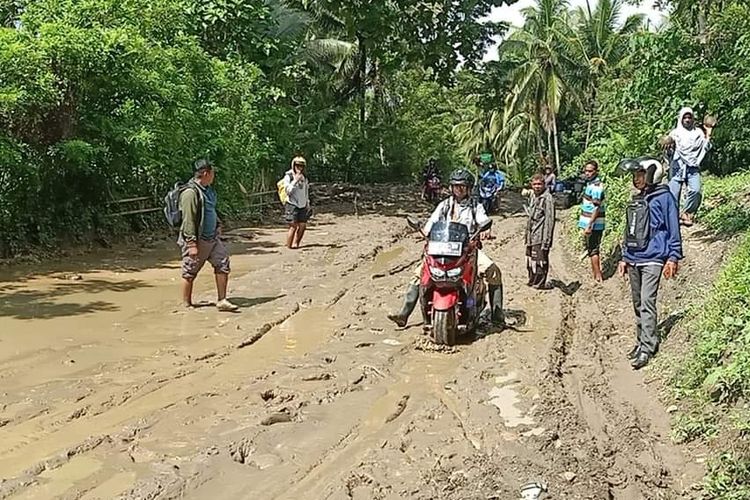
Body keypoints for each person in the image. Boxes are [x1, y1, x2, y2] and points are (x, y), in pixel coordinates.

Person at [387, 169, 504, 328]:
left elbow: (483, 220)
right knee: (418, 274)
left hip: (467, 249)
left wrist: (484, 230)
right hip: (441, 248)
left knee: (493, 271)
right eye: (456, 186)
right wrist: (424, 232)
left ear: (469, 188)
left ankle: (498, 317)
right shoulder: (445, 205)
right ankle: (404, 314)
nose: (459, 189)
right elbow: (432, 222)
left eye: (462, 186)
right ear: (451, 188)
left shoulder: (476, 206)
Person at [617, 157, 682, 370]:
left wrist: (673, 257)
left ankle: (648, 346)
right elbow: (631, 230)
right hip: (634, 258)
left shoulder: (665, 198)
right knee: (637, 303)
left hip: (654, 258)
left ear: (652, 174)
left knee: (647, 301)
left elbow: (674, 228)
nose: (636, 180)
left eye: (640, 175)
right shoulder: (638, 198)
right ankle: (640, 341)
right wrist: (624, 257)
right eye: (635, 176)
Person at [178, 159, 239, 312]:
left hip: (212, 238)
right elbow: (188, 220)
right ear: (206, 173)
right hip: (198, 240)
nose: (214, 176)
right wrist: (191, 244)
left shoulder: (208, 191)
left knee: (223, 264)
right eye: (212, 173)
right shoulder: (190, 193)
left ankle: (222, 300)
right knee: (190, 271)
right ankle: (186, 304)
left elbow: (211, 209)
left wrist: (218, 224)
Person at [667, 107, 714, 227]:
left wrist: (708, 133)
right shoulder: (675, 133)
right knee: (673, 195)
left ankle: (686, 213)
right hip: (677, 168)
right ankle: (671, 221)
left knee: (696, 191)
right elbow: (667, 151)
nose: (687, 120)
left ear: (693, 119)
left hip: (693, 166)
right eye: (685, 117)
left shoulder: (697, 132)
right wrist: (668, 147)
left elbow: (705, 147)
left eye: (689, 117)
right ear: (681, 119)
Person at [525, 173, 556, 289]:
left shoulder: (547, 199)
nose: (537, 186)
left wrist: (547, 240)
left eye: (539, 184)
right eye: (535, 184)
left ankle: (539, 283)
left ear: (544, 185)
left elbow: (549, 220)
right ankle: (532, 280)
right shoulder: (533, 196)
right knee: (530, 260)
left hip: (540, 235)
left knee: (540, 261)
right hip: (530, 235)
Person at [578, 160, 606, 282]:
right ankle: (596, 274)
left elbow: (596, 207)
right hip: (590, 223)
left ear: (596, 171)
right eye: (586, 171)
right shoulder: (590, 184)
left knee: (594, 249)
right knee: (591, 249)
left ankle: (598, 276)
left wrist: (590, 224)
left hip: (594, 224)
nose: (587, 173)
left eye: (590, 171)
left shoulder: (596, 187)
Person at [283, 156, 311, 249]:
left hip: (302, 204)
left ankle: (296, 243)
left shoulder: (305, 177)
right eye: (297, 165)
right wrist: (295, 181)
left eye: (301, 166)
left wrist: (307, 202)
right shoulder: (288, 176)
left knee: (302, 225)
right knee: (293, 226)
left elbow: (305, 190)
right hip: (292, 203)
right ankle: (289, 246)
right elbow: (288, 191)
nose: (299, 168)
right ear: (293, 165)